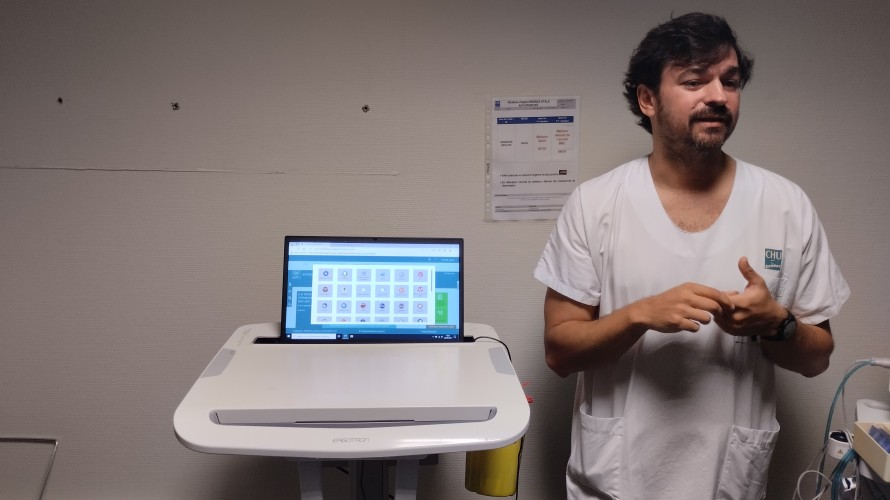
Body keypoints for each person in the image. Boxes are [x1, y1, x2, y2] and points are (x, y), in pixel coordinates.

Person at [533, 12, 850, 500]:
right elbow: (559, 352)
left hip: (728, 481)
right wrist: (639, 315)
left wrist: (777, 323)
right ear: (648, 99)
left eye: (730, 81)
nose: (718, 96)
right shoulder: (596, 204)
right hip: (617, 480)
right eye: (695, 81)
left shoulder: (786, 206)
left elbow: (817, 358)